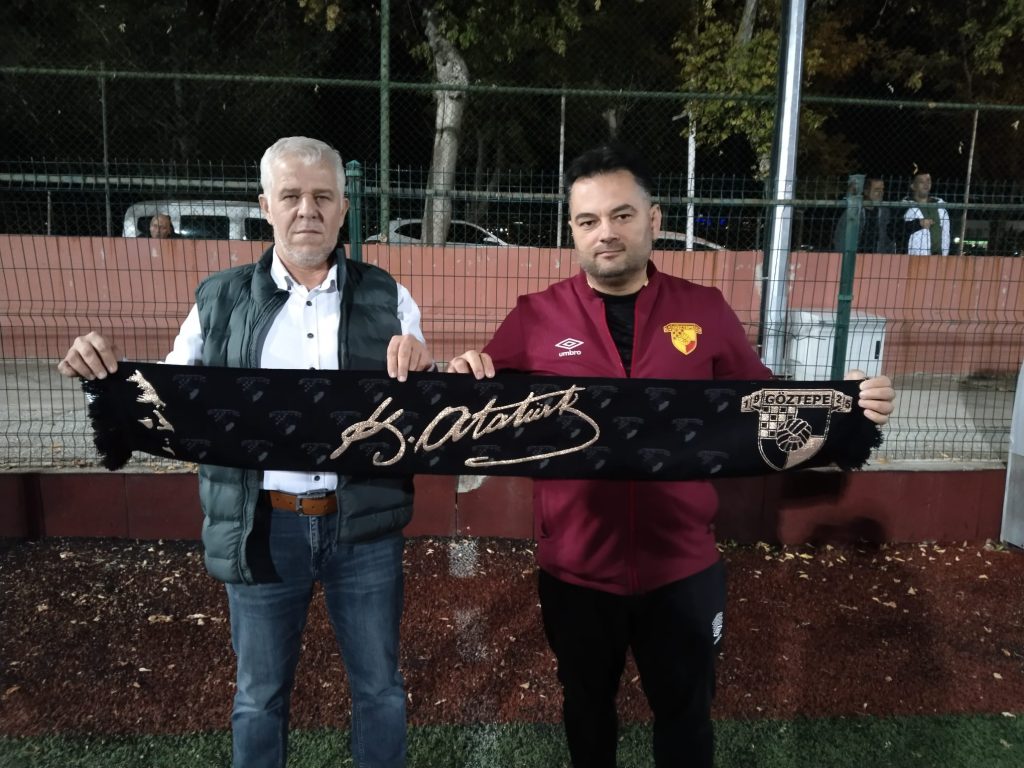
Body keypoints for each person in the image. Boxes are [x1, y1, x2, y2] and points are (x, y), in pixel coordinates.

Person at [449, 144, 895, 768]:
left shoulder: (703, 310)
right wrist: (463, 372)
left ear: (654, 220)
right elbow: (478, 403)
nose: (606, 233)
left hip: (683, 569)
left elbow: (761, 405)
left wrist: (841, 403)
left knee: (686, 719)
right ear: (573, 231)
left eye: (622, 215)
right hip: (575, 570)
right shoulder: (535, 316)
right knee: (586, 711)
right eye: (588, 221)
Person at [57, 136, 433, 768]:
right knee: (259, 698)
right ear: (265, 205)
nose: (308, 210)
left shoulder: (388, 296)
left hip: (363, 527)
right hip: (262, 525)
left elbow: (417, 407)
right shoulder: (220, 299)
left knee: (380, 691)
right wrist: (106, 380)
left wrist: (423, 367)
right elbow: (168, 401)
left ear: (344, 208)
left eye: (323, 196)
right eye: (292, 196)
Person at [832, 176, 895, 253]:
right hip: (855, 255)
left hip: (877, 256)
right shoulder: (854, 212)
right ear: (866, 191)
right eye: (877, 190)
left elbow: (887, 238)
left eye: (882, 189)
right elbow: (840, 237)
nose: (881, 193)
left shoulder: (884, 212)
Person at [902, 170, 950, 255]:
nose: (926, 184)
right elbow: (895, 231)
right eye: (921, 181)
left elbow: (947, 233)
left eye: (928, 180)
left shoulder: (940, 206)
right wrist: (918, 224)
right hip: (914, 258)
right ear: (913, 186)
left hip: (939, 257)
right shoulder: (904, 207)